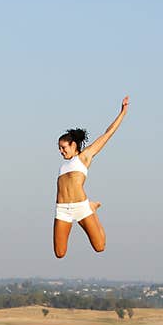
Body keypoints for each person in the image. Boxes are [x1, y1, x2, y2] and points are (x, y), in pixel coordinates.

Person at [54, 95, 129, 258]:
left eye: (63, 147)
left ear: (73, 145)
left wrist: (122, 113)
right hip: (62, 210)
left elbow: (107, 134)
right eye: (59, 148)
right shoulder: (63, 166)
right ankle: (91, 207)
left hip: (81, 206)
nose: (61, 151)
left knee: (100, 247)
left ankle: (92, 208)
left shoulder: (84, 157)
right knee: (60, 253)